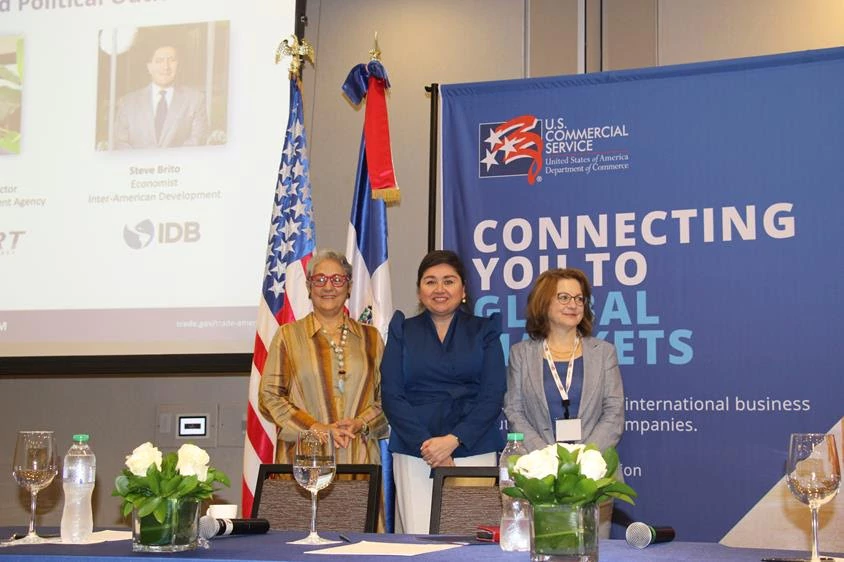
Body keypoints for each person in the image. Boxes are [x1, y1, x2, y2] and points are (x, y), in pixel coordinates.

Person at [381, 250, 506, 534]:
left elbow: (493, 394)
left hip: (473, 446)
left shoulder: (484, 330)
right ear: (419, 291)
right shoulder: (403, 330)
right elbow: (391, 395)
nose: (440, 289)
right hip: (415, 449)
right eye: (430, 281)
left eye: (449, 281)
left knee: (470, 538)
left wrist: (453, 441)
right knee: (419, 538)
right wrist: (429, 447)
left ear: (463, 290)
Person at [503, 267, 624, 538]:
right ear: (543, 303)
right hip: (538, 477)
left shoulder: (604, 352)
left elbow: (614, 412)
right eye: (564, 297)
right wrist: (547, 460)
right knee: (546, 549)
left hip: (593, 477)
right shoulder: (520, 354)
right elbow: (514, 410)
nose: (574, 305)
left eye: (579, 299)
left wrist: (583, 459)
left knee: (590, 550)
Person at [259, 250, 387, 466]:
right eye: (319, 279)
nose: (328, 287)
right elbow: (269, 396)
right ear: (309, 287)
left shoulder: (371, 338)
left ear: (349, 287)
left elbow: (388, 398)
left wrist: (360, 423)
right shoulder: (288, 336)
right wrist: (315, 428)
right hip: (304, 462)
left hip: (359, 459)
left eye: (337, 280)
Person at [113, 44, 208, 149]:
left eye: (171, 60)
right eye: (159, 61)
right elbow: (119, 142)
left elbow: (197, 140)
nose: (166, 67)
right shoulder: (128, 102)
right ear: (149, 67)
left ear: (178, 65)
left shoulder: (195, 99)